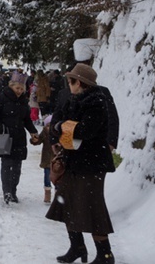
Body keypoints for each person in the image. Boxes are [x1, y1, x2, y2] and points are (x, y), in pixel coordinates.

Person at [46, 63, 116, 264]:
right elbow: (60, 123)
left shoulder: (96, 102)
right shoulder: (73, 99)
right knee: (67, 203)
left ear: (81, 83)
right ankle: (77, 247)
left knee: (92, 208)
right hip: (74, 161)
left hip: (91, 164)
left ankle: (105, 254)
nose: (69, 85)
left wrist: (62, 127)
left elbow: (85, 131)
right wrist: (59, 129)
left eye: (72, 81)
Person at [0, 70, 39, 204]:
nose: (19, 91)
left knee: (17, 166)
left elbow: (27, 119)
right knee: (6, 165)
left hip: (19, 137)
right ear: (11, 86)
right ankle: (7, 192)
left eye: (22, 89)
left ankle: (13, 190)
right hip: (6, 136)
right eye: (17, 88)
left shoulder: (23, 101)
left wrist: (33, 131)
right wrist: (0, 128)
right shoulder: (1, 97)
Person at [29, 115, 54, 203]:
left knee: (58, 178)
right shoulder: (44, 133)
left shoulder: (59, 133)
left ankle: (59, 193)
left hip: (57, 160)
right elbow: (38, 141)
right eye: (48, 125)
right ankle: (47, 193)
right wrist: (34, 140)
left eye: (52, 125)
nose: (50, 127)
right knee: (47, 177)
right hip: (47, 159)